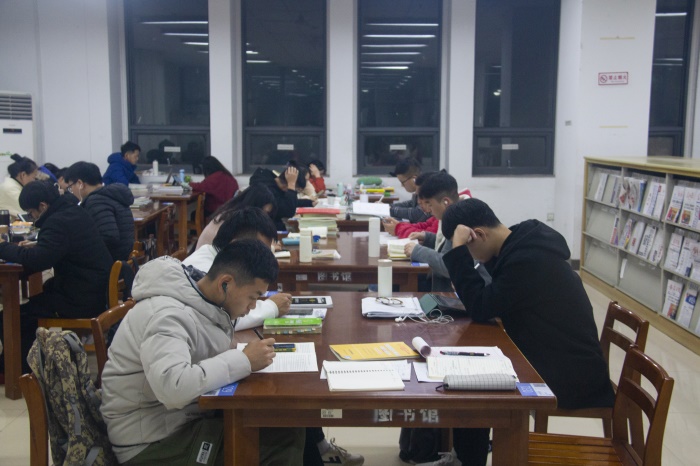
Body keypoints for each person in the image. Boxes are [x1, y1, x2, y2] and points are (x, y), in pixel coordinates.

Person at [429, 198, 616, 466]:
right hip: (553, 356)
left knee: (475, 385)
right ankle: (465, 458)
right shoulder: (522, 244)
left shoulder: (528, 260)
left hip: (570, 374)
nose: (471, 258)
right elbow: (493, 297)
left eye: (468, 249)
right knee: (472, 376)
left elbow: (481, 306)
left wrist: (458, 254)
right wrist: (466, 253)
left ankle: (469, 460)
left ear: (478, 234)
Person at [183, 208, 364, 466]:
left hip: (195, 397)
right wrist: (268, 310)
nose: (264, 256)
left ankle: (318, 448)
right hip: (182, 420)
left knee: (294, 400)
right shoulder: (203, 273)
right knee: (287, 418)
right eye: (261, 248)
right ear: (238, 244)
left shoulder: (216, 268)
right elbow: (231, 320)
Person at [100, 240, 306, 465]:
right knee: (284, 440)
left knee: (284, 418)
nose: (253, 306)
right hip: (149, 442)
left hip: (175, 420)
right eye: (252, 297)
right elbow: (173, 388)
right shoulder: (167, 315)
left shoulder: (202, 300)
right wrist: (243, 360)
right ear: (225, 283)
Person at [0, 181, 113, 373]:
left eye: (31, 212)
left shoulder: (58, 222)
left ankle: (17, 370)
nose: (32, 218)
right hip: (93, 289)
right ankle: (26, 364)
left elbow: (38, 260)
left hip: (81, 298)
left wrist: (3, 247)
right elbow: (51, 252)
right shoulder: (72, 211)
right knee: (33, 304)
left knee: (15, 316)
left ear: (43, 206)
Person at [403, 171, 463, 292]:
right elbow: (448, 246)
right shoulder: (452, 214)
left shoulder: (461, 221)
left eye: (429, 204)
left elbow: (448, 265)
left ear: (446, 202)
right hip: (439, 285)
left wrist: (417, 251)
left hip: (449, 294)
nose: (428, 210)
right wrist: (427, 238)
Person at [64, 161, 135, 261]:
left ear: (80, 184)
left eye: (70, 187)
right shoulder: (112, 195)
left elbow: (109, 237)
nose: (71, 192)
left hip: (113, 261)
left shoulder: (95, 201)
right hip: (123, 258)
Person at [196, 184, 277, 250]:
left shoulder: (232, 214)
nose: (265, 217)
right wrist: (269, 247)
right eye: (264, 212)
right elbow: (243, 251)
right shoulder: (233, 221)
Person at [249, 164, 311, 230]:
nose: (294, 193)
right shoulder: (266, 190)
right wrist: (291, 184)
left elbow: (290, 202)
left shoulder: (275, 186)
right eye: (295, 190)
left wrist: (309, 203)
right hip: (262, 229)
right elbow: (288, 211)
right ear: (287, 186)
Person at [389, 157, 430, 223]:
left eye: (402, 182)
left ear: (414, 179)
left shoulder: (428, 190)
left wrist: (391, 210)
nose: (402, 185)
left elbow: (417, 214)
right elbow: (411, 203)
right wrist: (388, 206)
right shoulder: (420, 190)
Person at [0, 154, 38, 219]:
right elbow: (30, 212)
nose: (35, 181)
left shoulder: (13, 185)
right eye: (34, 178)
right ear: (23, 175)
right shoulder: (10, 188)